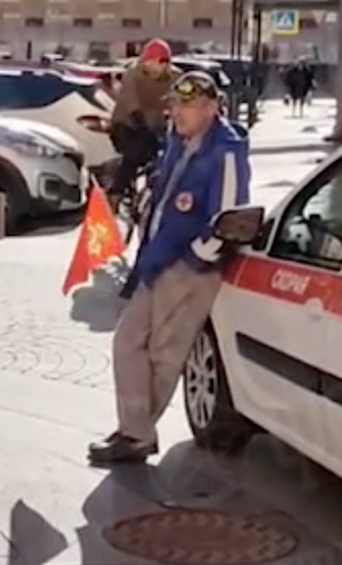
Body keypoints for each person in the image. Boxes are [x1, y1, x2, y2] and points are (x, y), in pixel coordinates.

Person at [88, 71, 252, 464]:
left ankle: (136, 435)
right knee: (127, 340)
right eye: (174, 105)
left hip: (191, 269)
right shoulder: (178, 141)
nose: (176, 112)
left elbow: (231, 219)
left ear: (210, 109)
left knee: (164, 353)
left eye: (186, 106)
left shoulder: (226, 151)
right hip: (158, 259)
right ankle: (135, 429)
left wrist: (197, 256)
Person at [107, 39, 176, 205]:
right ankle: (116, 192)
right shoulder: (133, 74)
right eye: (147, 62)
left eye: (154, 63)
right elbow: (131, 103)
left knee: (169, 154)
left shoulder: (175, 78)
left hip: (157, 126)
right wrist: (142, 125)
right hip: (127, 124)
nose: (149, 66)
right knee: (135, 150)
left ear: (165, 63)